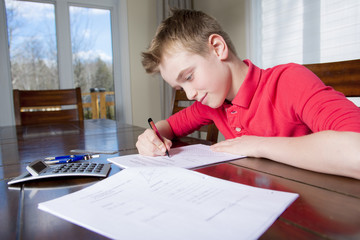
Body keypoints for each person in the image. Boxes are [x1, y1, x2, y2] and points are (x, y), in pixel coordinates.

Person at [136, 9, 360, 180]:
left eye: (188, 77)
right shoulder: (211, 104)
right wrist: (151, 137)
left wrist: (258, 145)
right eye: (179, 88)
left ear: (217, 48)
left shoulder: (288, 81)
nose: (190, 93)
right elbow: (171, 127)